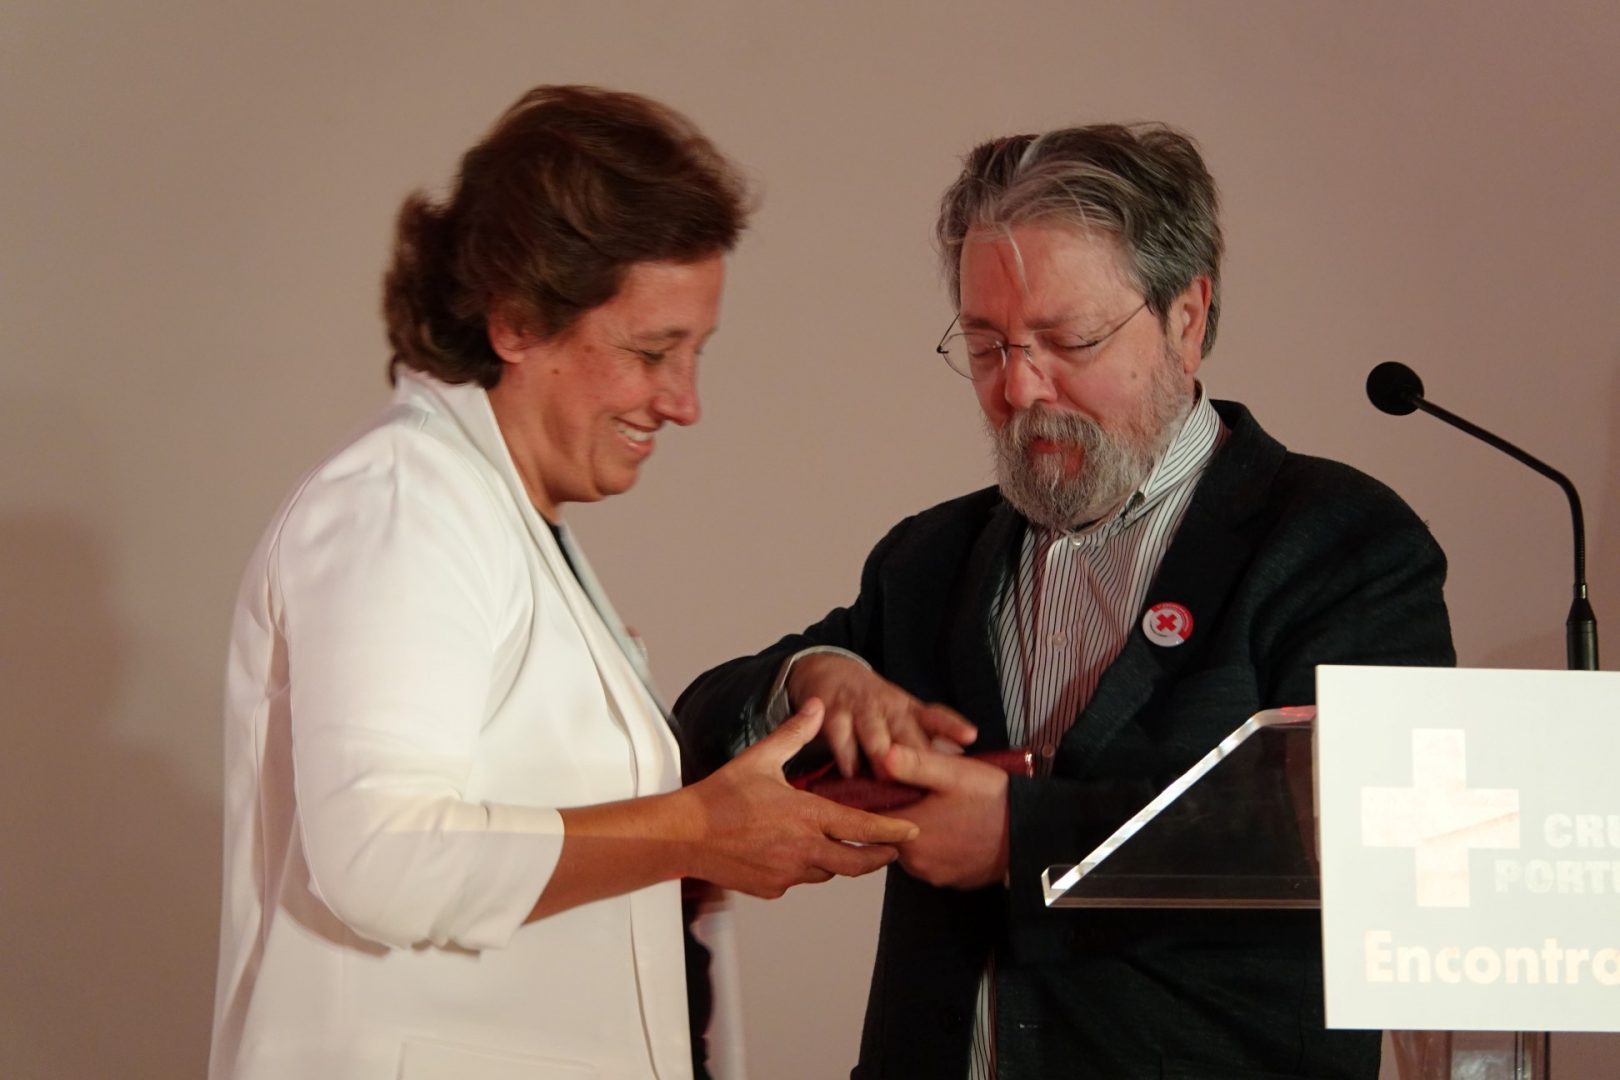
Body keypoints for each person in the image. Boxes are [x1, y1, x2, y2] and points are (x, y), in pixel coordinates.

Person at [675, 123, 1455, 1079]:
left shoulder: (1336, 542)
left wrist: (1024, 838)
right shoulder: (930, 560)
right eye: (985, 344)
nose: (1018, 386)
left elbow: (1388, 838)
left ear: (1187, 318)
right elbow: (699, 729)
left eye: (1068, 340)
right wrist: (814, 677)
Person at [208, 85, 917, 1080]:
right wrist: (698, 831)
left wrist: (709, 841)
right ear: (515, 322)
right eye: (650, 352)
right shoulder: (405, 506)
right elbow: (381, 858)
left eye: (696, 353)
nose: (685, 402)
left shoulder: (498, 515)